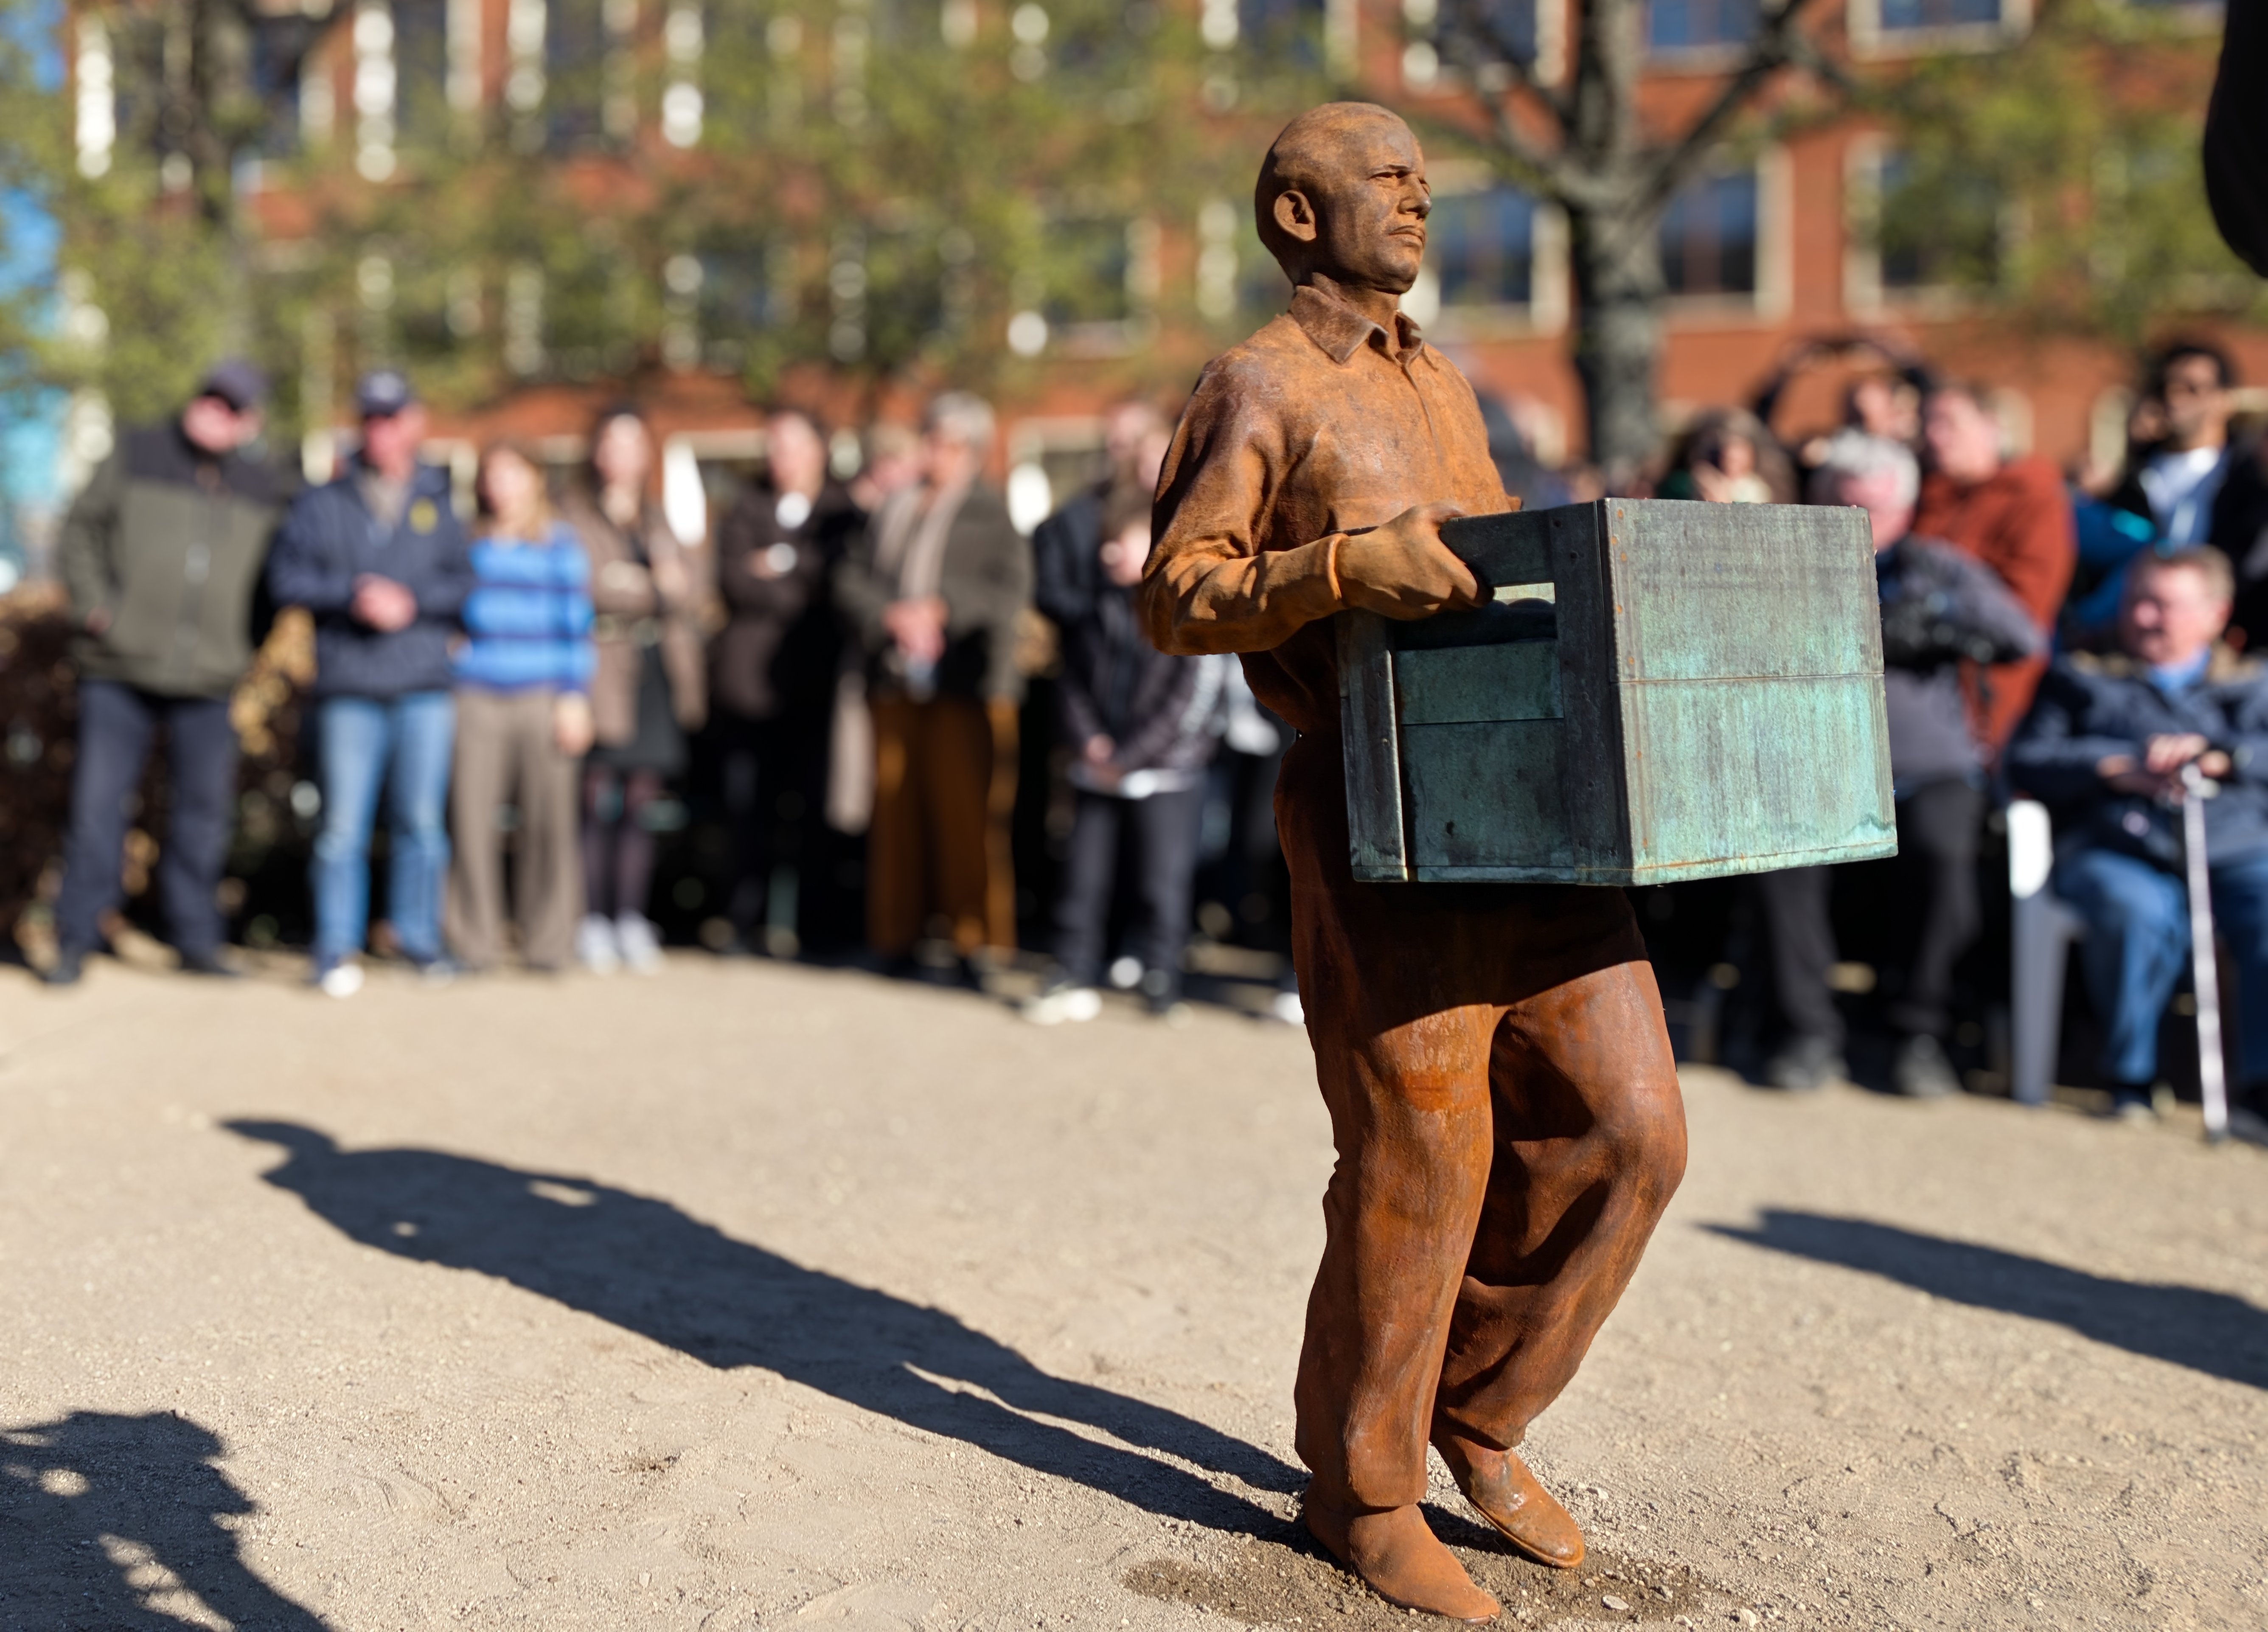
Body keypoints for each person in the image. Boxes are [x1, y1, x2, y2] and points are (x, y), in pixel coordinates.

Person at [1142, 102, 1685, 1621]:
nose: (1416, 198)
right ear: (1295, 214)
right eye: (1381, 179)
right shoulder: (1256, 382)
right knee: (1420, 1153)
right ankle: (1358, 1487)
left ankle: (1476, 1410)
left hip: (1525, 793)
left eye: (1420, 179)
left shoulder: (1439, 375)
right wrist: (1333, 571)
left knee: (1629, 1128)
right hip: (1379, 809)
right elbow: (1173, 595)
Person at [1753, 431, 2041, 1095]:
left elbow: (2022, 635)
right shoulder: (1781, 563)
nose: (1858, 524)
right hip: (1813, 767)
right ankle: (1807, 1032)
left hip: (1927, 769)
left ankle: (1918, 1032)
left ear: (1906, 510)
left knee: (1945, 855)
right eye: (1843, 506)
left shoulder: (1939, 567)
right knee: (1780, 864)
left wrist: (1938, 620)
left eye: (1874, 510)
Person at [2009, 548, 2268, 1126]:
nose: (2146, 617)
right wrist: (2114, 765)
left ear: (2215, 613)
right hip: (2120, 848)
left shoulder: (2251, 684)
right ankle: (2131, 1075)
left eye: (2164, 606)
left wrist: (2226, 757)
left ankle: (2259, 1085)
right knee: (2137, 911)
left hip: (2233, 847)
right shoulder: (2082, 675)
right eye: (2137, 602)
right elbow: (2026, 760)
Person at [45, 361, 281, 986]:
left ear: (250, 422)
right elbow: (79, 531)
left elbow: (278, 577)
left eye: (232, 407)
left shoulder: (262, 484)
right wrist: (95, 605)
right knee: (98, 808)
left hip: (209, 675)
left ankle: (196, 939)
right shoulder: (136, 451)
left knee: (203, 815)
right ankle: (76, 936)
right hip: (119, 666)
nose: (215, 412)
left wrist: (248, 641)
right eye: (210, 398)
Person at [266, 369, 473, 997]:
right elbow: (287, 579)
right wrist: (351, 597)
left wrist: (412, 600)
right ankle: (335, 946)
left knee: (422, 824)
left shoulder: (438, 502)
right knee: (341, 829)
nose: (380, 429)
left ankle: (418, 939)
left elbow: (464, 583)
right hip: (350, 685)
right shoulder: (323, 500)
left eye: (392, 416)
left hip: (422, 684)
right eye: (371, 417)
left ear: (415, 422)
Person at [837, 392, 1033, 978]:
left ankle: (977, 943)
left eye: (942, 442)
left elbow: (1010, 591)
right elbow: (849, 576)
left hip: (966, 688)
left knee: (967, 819)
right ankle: (896, 935)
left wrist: (942, 611)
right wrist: (889, 616)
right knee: (897, 814)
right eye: (927, 438)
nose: (930, 452)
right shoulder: (894, 507)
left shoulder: (989, 510)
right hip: (896, 683)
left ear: (969, 450)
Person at [1026, 485, 1225, 1025]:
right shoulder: (1092, 610)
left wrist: (1132, 754)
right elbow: (1069, 683)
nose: (1108, 554)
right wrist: (1091, 743)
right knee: (1082, 879)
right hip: (1096, 768)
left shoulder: (1182, 613)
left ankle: (1162, 974)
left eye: (1122, 544)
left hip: (1166, 774)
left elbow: (1189, 699)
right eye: (1106, 545)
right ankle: (1072, 967)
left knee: (1162, 882)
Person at [562, 404, 710, 974]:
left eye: (633, 444)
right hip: (601, 673)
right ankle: (590, 917)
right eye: (612, 443)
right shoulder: (574, 513)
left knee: (641, 803)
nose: (622, 455)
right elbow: (589, 585)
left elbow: (691, 589)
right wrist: (650, 588)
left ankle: (629, 916)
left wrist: (644, 585)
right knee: (595, 798)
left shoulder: (658, 518)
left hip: (656, 672)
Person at [709, 409, 859, 955]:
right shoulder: (744, 506)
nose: (780, 457)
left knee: (816, 811)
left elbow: (839, 583)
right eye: (771, 446)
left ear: (820, 450)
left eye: (791, 446)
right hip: (748, 688)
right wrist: (799, 574)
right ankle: (742, 923)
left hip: (817, 685)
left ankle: (816, 929)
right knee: (749, 812)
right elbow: (732, 580)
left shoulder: (844, 511)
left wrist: (777, 569)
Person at [443, 442, 594, 973]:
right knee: (468, 818)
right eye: (491, 473)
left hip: (542, 692)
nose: (500, 484)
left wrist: (575, 695)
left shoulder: (559, 542)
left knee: (550, 822)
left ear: (535, 478)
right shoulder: (464, 539)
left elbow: (577, 623)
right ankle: (473, 942)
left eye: (512, 472)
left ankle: (548, 943)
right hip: (475, 694)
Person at [1912, 381, 2074, 752]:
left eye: (1949, 423)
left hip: (1996, 688)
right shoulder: (1930, 497)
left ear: (1992, 426)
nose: (1935, 436)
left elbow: (2025, 605)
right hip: (1929, 688)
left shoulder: (2033, 496)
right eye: (1928, 424)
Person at [1031, 400, 1170, 636]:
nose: (1119, 450)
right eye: (1114, 440)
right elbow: (1051, 592)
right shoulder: (1080, 514)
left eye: (1132, 441)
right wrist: (1100, 610)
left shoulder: (1184, 509)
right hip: (1102, 651)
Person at [1654, 406, 1795, 505]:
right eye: (1716, 449)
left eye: (1738, 447)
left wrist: (1725, 508)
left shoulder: (1764, 492)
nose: (1727, 457)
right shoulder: (1679, 486)